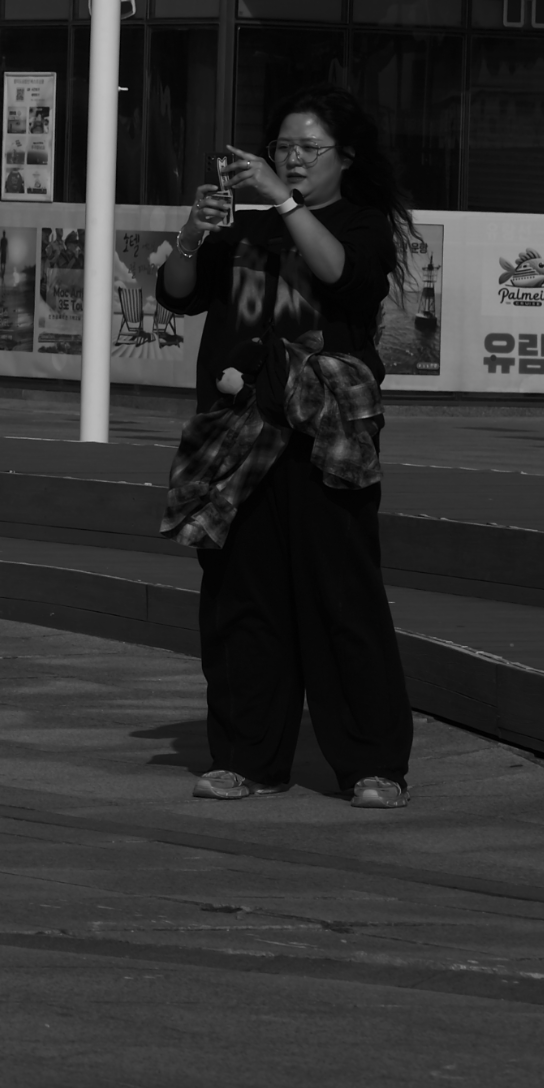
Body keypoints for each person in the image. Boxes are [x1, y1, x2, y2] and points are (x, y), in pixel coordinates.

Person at [156, 87, 416, 811]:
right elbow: (178, 294)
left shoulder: (360, 224)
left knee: (342, 598)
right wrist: (192, 231)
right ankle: (247, 758)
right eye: (283, 147)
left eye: (309, 148)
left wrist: (281, 199)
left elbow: (341, 274)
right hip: (235, 432)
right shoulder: (242, 230)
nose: (293, 158)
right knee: (241, 602)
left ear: (345, 158)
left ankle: (373, 765)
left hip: (323, 437)